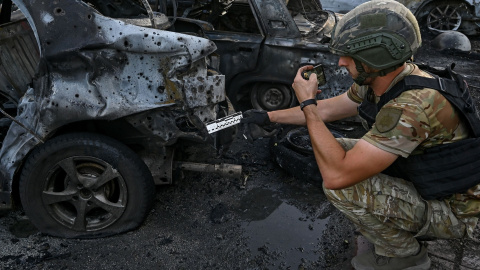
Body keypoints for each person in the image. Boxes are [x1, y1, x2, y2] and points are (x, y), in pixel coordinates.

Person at [240, 0, 480, 269]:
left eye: (349, 56)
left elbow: (337, 175)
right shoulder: (388, 78)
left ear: (375, 57)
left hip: (457, 211)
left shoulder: (411, 107)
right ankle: (402, 231)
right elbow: (330, 110)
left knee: (341, 186)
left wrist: (307, 104)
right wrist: (268, 116)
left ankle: (405, 255)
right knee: (335, 149)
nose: (341, 62)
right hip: (430, 175)